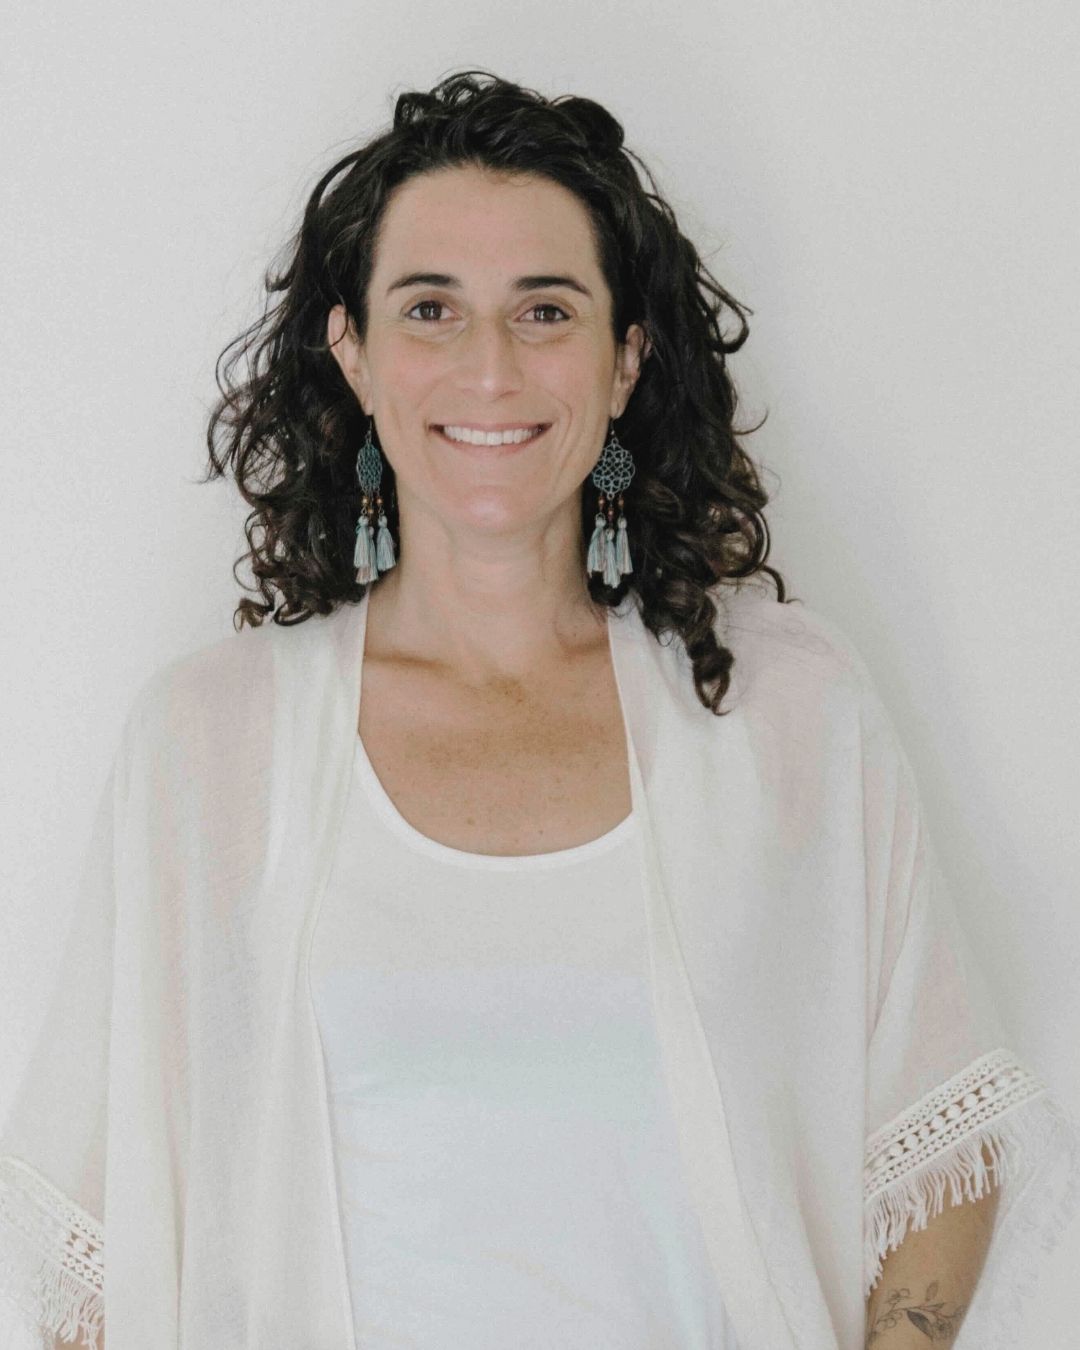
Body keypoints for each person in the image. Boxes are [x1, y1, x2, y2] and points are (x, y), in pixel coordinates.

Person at [2, 68, 1078, 1350]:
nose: (490, 366)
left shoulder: (786, 709)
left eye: (546, 310)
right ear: (352, 353)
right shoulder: (212, 742)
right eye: (431, 308)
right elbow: (102, 1246)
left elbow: (943, 1138)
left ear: (625, 359)